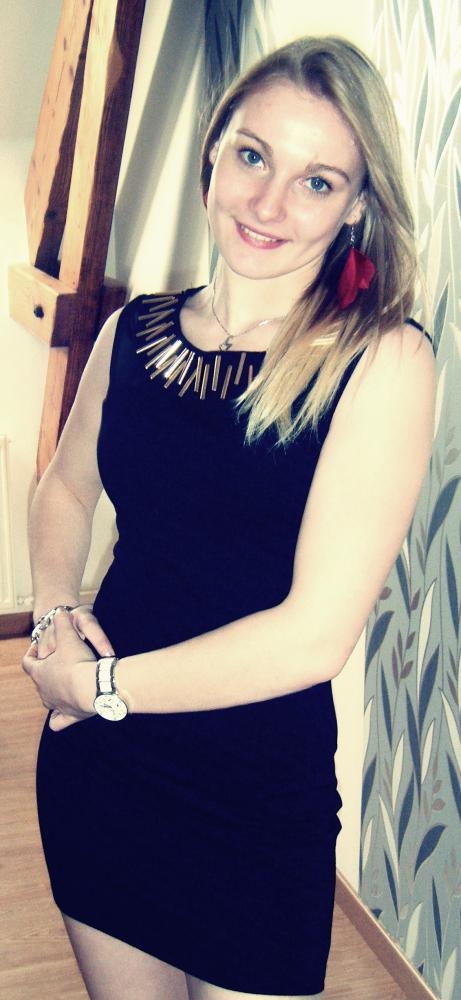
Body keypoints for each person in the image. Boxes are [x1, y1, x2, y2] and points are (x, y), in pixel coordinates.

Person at [23, 35, 435, 1000]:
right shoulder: (134, 332)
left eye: (316, 181)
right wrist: (54, 611)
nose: (267, 203)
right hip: (102, 771)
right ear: (213, 151)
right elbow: (65, 489)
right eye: (253, 155)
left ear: (357, 206)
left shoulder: (381, 361)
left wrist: (100, 686)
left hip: (251, 792)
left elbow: (312, 637)